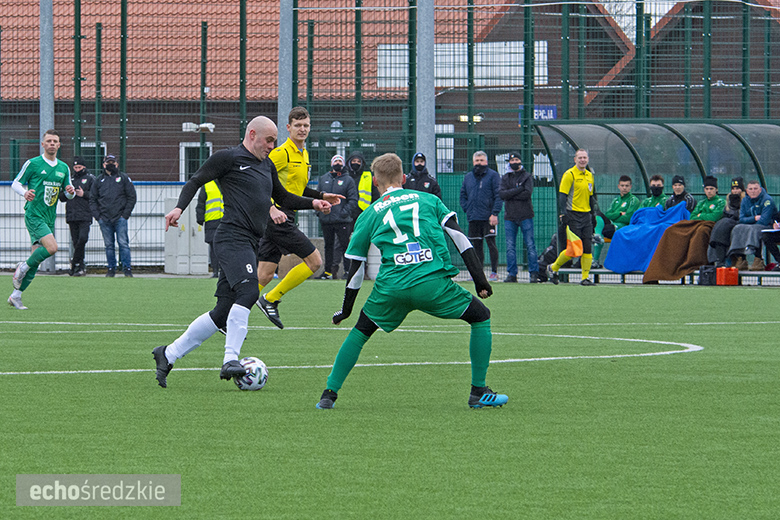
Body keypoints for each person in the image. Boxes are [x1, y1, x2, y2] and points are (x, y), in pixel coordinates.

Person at [314, 152, 508, 410]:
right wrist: (480, 280)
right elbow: (460, 238)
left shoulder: (369, 214)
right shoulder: (430, 200)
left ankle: (329, 395)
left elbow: (356, 268)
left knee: (361, 331)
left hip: (392, 287)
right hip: (432, 283)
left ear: (375, 181)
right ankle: (478, 391)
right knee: (480, 316)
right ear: (404, 177)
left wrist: (346, 309)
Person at [153, 115, 334, 388]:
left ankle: (168, 354)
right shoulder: (228, 158)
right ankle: (230, 359)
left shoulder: (266, 165)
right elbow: (195, 180)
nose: (272, 146)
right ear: (252, 135)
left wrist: (315, 202)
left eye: (274, 141)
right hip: (230, 237)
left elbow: (283, 197)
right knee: (250, 291)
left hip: (250, 240)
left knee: (223, 310)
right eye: (268, 140)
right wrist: (179, 208)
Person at [255, 107, 344, 329]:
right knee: (315, 262)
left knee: (264, 275)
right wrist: (271, 208)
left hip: (286, 214)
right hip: (276, 216)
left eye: (305, 126)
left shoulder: (303, 154)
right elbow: (258, 181)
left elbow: (299, 188)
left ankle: (228, 312)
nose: (302, 129)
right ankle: (270, 299)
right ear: (288, 128)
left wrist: (322, 196)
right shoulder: (281, 153)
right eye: (297, 125)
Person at [9, 129, 75, 310]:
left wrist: (71, 192)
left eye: (55, 141)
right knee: (52, 248)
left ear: (59, 145)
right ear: (43, 144)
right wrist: (25, 192)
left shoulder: (63, 167)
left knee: (36, 261)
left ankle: (16, 296)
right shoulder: (33, 163)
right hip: (34, 214)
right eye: (49, 141)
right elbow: (15, 183)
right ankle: (22, 267)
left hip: (49, 217)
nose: (52, 143)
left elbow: (69, 193)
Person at [547, 149, 598, 286]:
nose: (582, 160)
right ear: (575, 159)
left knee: (587, 246)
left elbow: (591, 197)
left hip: (586, 215)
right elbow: (562, 195)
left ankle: (585, 278)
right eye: (580, 157)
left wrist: (593, 215)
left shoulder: (589, 175)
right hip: (573, 215)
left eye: (585, 157)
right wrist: (563, 213)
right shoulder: (569, 174)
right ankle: (553, 267)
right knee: (574, 250)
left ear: (588, 159)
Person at [89, 154, 137, 277]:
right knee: (109, 245)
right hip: (104, 219)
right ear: (104, 164)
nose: (111, 165)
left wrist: (125, 215)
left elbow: (132, 197)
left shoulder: (124, 178)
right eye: (108, 162)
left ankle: (127, 269)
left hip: (120, 218)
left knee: (123, 243)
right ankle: (111, 269)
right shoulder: (98, 180)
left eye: (113, 162)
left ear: (117, 164)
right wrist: (98, 216)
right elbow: (92, 199)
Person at [459, 151, 502, 281]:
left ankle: (494, 272)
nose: (479, 163)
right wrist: (468, 209)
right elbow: (463, 195)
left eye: (482, 160)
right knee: (476, 246)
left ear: (486, 162)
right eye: (477, 161)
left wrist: (494, 213)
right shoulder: (468, 177)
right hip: (473, 217)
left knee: (491, 244)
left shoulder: (493, 176)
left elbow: (498, 195)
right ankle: (479, 274)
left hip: (488, 217)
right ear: (473, 162)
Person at [499, 152, 539, 283]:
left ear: (520, 161)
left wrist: (511, 194)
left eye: (516, 159)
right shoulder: (505, 177)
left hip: (526, 215)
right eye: (512, 160)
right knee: (510, 246)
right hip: (510, 217)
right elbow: (502, 194)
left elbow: (527, 193)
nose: (514, 162)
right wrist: (518, 190)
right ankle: (512, 274)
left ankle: (534, 273)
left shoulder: (527, 176)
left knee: (530, 244)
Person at [316, 154, 358, 279]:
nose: (338, 163)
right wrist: (319, 212)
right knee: (328, 246)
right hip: (326, 219)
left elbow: (353, 200)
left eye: (340, 161)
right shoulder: (323, 179)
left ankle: (347, 271)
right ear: (331, 163)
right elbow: (317, 196)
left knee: (345, 245)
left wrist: (344, 212)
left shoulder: (348, 180)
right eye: (336, 161)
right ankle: (328, 272)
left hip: (342, 220)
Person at [726, 180, 777, 271]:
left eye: (755, 189)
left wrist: (750, 222)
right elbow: (741, 219)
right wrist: (754, 218)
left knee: (754, 229)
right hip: (752, 225)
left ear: (760, 190)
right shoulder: (745, 200)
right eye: (750, 189)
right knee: (737, 228)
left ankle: (758, 259)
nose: (753, 191)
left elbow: (764, 221)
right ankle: (741, 258)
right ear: (747, 190)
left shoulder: (767, 200)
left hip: (768, 226)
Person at [59, 156, 95, 276]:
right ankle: (80, 266)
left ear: (84, 167)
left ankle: (74, 264)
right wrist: (68, 192)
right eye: (75, 167)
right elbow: (61, 198)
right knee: (76, 242)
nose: (77, 169)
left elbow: (95, 196)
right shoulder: (69, 179)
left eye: (79, 167)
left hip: (85, 214)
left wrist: (83, 194)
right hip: (72, 215)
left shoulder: (90, 179)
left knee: (82, 239)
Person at [708, 177, 745, 267]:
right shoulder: (728, 200)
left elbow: (740, 215)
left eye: (737, 189)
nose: (735, 191)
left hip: (739, 222)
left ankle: (721, 259)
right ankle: (719, 259)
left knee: (723, 224)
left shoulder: (745, 199)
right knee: (719, 226)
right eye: (733, 189)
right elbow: (725, 213)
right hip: (727, 223)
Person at [195, 180, 224, 278]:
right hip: (212, 221)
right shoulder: (207, 185)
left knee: (226, 247)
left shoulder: (228, 182)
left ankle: (222, 271)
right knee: (214, 247)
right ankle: (215, 271)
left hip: (227, 220)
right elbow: (201, 203)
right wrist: (200, 218)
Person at [345, 150, 379, 222]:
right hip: (347, 213)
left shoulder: (368, 176)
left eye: (358, 161)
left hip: (364, 212)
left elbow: (375, 194)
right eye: (354, 161)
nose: (356, 163)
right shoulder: (344, 176)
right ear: (349, 162)